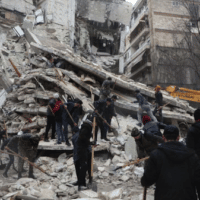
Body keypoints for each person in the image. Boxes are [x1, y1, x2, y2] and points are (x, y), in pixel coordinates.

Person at [141, 125, 200, 200]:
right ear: (178, 138)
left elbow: (146, 181)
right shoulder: (192, 156)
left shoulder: (156, 155)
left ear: (163, 138)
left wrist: (145, 175)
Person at [77, 120, 96, 191]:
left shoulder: (86, 128)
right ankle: (81, 184)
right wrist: (90, 143)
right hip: (82, 150)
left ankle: (88, 180)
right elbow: (83, 138)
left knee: (88, 164)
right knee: (84, 166)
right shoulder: (85, 129)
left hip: (84, 149)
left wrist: (91, 142)